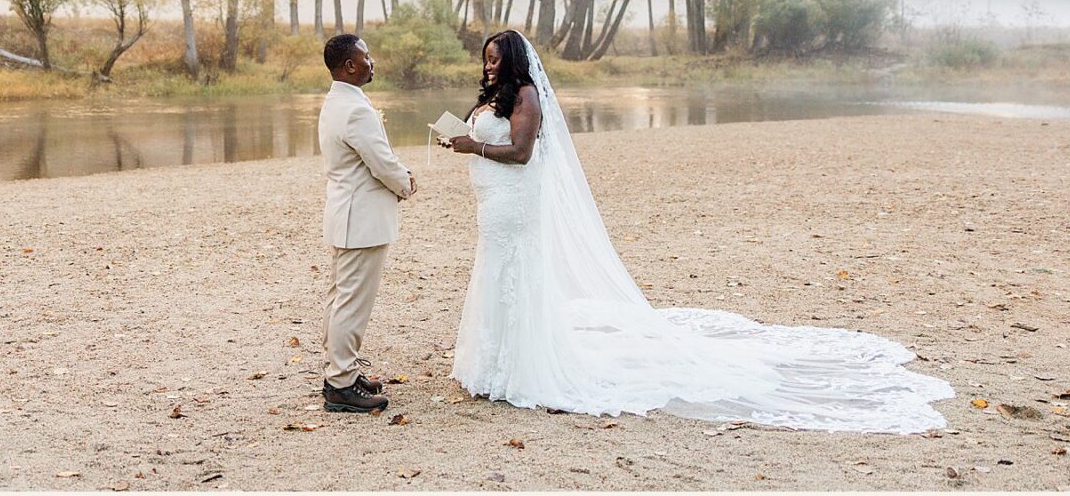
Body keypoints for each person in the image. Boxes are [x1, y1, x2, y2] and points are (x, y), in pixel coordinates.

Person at [440, 28, 954, 432]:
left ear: (514, 62)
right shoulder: (496, 97)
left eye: (496, 59)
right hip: (494, 206)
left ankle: (520, 370)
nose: (489, 66)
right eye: (485, 58)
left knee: (516, 278)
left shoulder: (526, 94)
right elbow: (494, 139)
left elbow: (523, 153)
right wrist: (460, 137)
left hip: (517, 205)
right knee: (495, 277)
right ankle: (492, 367)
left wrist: (473, 147)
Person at [317, 33, 416, 413]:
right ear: (350, 66)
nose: (372, 62)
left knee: (341, 297)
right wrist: (405, 183)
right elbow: (381, 161)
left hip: (346, 214)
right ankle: (340, 384)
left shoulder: (336, 101)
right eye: (366, 57)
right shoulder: (356, 110)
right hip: (361, 219)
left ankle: (341, 370)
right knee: (352, 303)